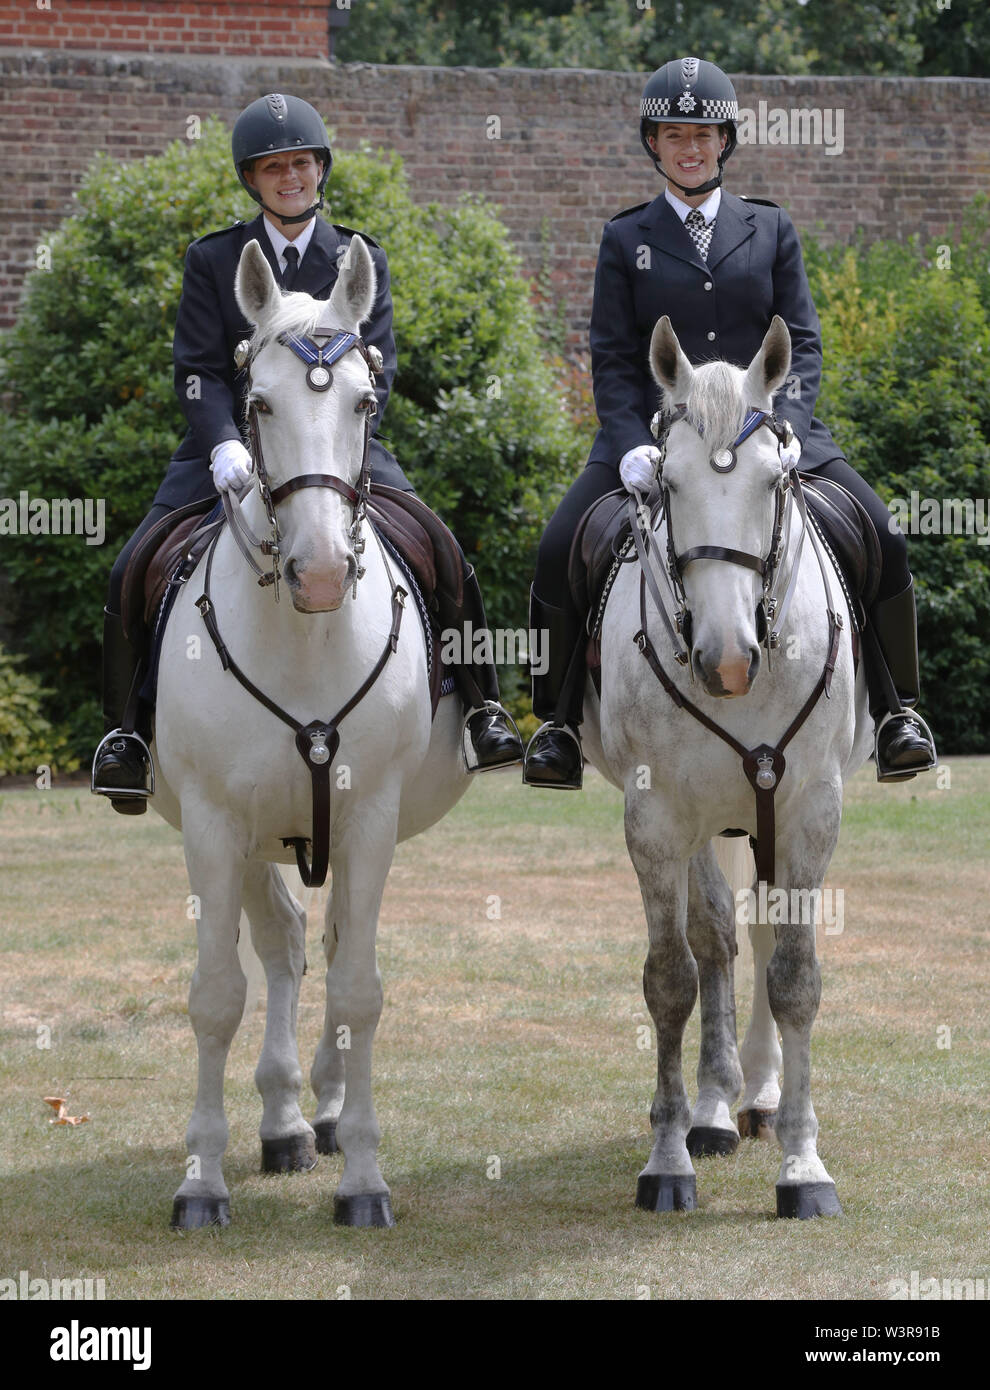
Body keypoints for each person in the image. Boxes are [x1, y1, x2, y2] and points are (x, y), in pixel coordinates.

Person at [93, 93, 522, 813]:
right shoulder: (215, 258)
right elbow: (197, 370)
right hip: (226, 448)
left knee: (445, 552)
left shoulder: (359, 258)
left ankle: (482, 709)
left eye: (301, 163)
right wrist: (225, 444)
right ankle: (127, 736)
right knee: (133, 562)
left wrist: (337, 444)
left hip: (336, 452)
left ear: (320, 170)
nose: (289, 176)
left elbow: (377, 371)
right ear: (252, 179)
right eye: (273, 167)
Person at [523, 56, 936, 789]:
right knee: (560, 548)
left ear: (726, 140)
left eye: (704, 134)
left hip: (767, 438)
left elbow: (800, 344)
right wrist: (626, 448)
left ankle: (898, 711)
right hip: (661, 444)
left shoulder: (771, 229)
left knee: (883, 535)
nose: (690, 147)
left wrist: (794, 430)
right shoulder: (626, 240)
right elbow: (614, 359)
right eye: (674, 134)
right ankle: (555, 724)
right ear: (654, 144)